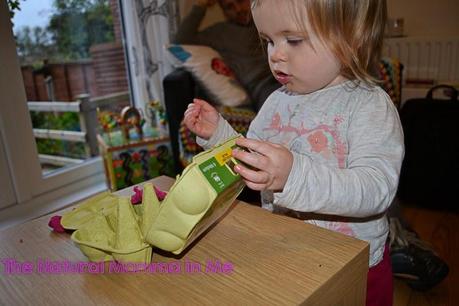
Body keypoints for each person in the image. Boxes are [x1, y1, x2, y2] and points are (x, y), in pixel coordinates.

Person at [184, 0, 403, 305]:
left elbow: (376, 189)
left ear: (350, 36)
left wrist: (293, 176)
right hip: (287, 253)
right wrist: (219, 134)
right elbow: (253, 161)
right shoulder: (276, 103)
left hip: (356, 265)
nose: (276, 55)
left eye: (294, 40)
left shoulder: (369, 105)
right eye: (269, 41)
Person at [173, 0, 280, 110]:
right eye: (229, 7)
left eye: (241, 1)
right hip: (264, 88)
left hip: (289, 75)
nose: (238, 10)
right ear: (224, 12)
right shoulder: (219, 33)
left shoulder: (267, 18)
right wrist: (201, 6)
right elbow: (180, 42)